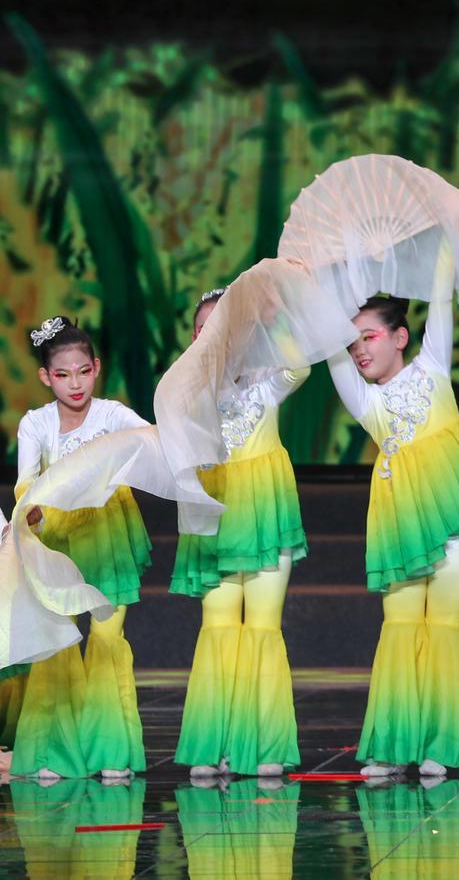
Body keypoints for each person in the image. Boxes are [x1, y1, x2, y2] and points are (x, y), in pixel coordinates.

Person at [325, 244, 459, 778]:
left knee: (445, 626)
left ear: (400, 337)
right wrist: (329, 278)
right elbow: (329, 346)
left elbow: (442, 298)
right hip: (400, 522)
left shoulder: (433, 366)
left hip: (454, 516)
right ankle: (391, 746)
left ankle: (439, 747)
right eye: (353, 342)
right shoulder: (366, 401)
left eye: (369, 337)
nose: (359, 350)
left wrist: (446, 243)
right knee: (400, 628)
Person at [172, 287, 308, 779]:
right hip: (215, 520)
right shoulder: (186, 394)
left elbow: (299, 368)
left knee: (263, 628)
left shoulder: (265, 382)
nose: (213, 337)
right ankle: (214, 747)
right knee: (218, 629)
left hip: (264, 513)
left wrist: (275, 320)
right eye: (203, 329)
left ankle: (264, 746)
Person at [9, 316, 150, 780]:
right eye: (63, 374)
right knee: (58, 642)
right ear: (45, 377)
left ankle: (110, 753)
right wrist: (31, 511)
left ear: (97, 368)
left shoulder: (112, 415)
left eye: (83, 372)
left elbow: (151, 441)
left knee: (107, 640)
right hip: (57, 543)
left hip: (108, 536)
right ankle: (54, 753)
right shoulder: (36, 423)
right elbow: (26, 482)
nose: (75, 383)